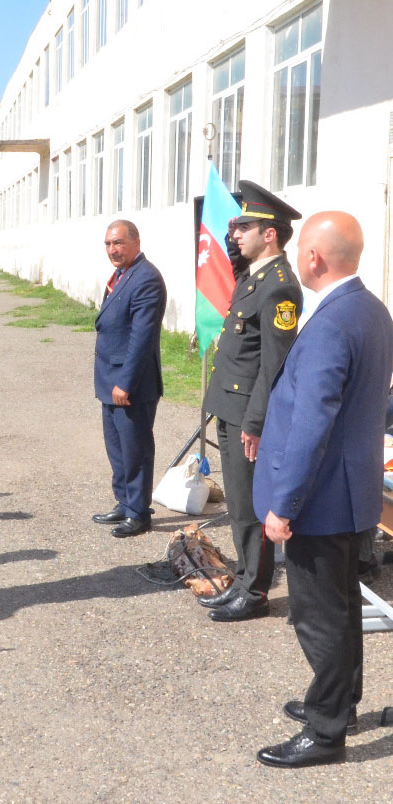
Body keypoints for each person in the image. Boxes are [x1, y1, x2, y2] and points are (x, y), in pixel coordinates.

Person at [253, 212, 393, 769]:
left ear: (314, 258)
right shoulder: (371, 308)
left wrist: (284, 505)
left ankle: (327, 729)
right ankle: (342, 703)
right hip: (347, 488)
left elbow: (313, 421)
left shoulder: (335, 321)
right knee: (340, 609)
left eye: (302, 251)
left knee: (319, 616)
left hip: (318, 497)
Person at [199, 181, 303, 622]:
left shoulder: (279, 287)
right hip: (230, 407)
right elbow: (236, 264)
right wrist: (231, 235)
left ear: (271, 234)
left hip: (248, 414)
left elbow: (274, 366)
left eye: (245, 227)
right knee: (238, 505)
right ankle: (243, 577)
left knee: (250, 504)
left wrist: (257, 422)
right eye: (235, 227)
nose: (237, 234)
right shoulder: (255, 276)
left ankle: (255, 592)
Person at [90, 220, 167, 538]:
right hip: (111, 380)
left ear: (136, 242)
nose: (113, 250)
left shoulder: (146, 278)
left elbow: (141, 338)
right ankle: (124, 502)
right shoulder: (123, 275)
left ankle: (139, 512)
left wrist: (125, 383)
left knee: (135, 449)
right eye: (108, 244)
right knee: (117, 448)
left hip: (130, 384)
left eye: (119, 243)